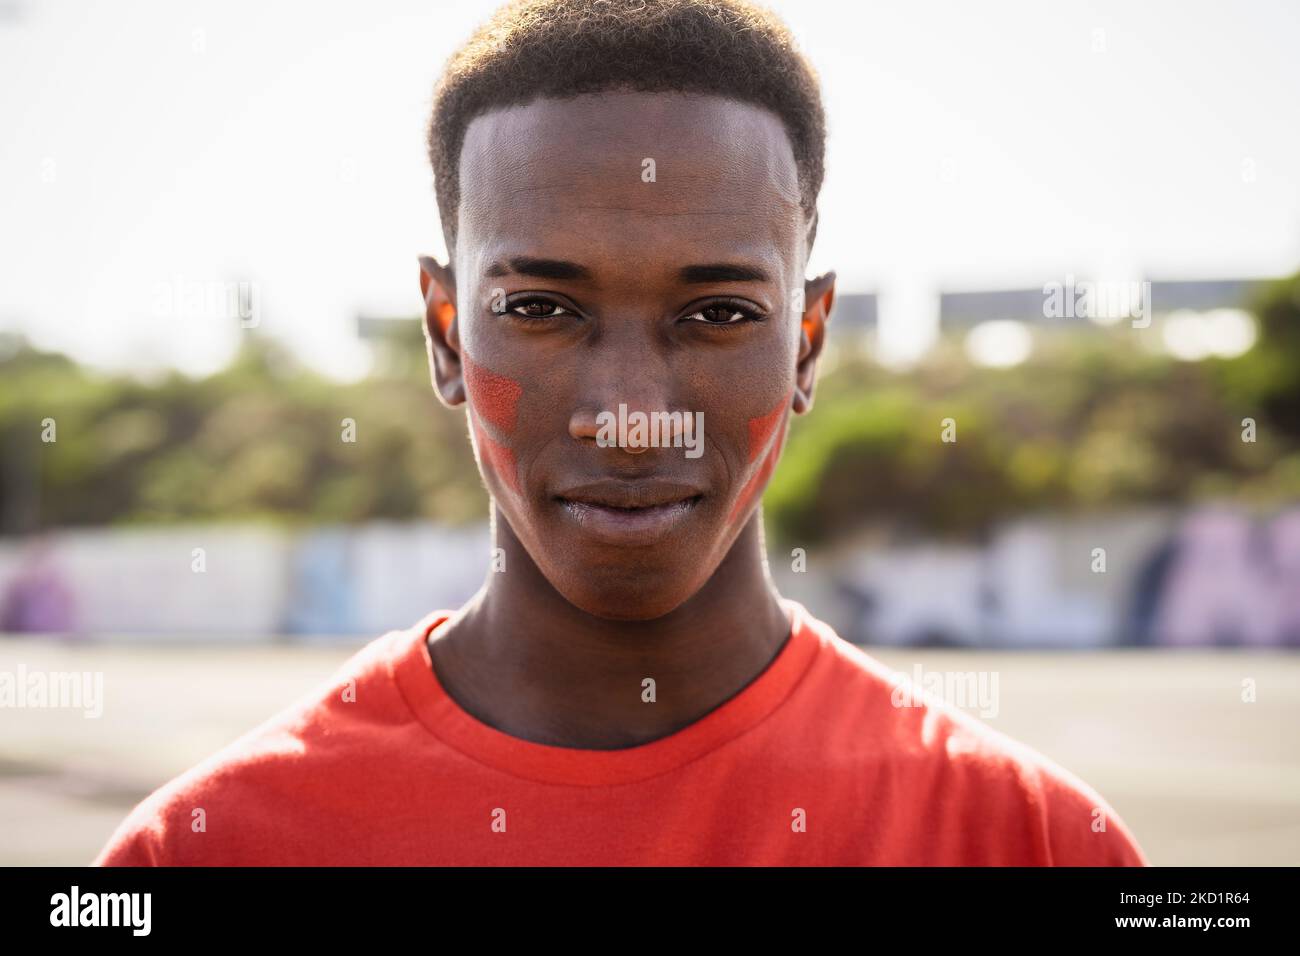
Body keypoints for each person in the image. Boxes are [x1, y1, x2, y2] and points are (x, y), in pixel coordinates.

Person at [95, 0, 1147, 866]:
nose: (631, 411)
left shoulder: (1029, 841)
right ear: (447, 333)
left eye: (720, 313)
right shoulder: (206, 850)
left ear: (809, 341)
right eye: (542, 310)